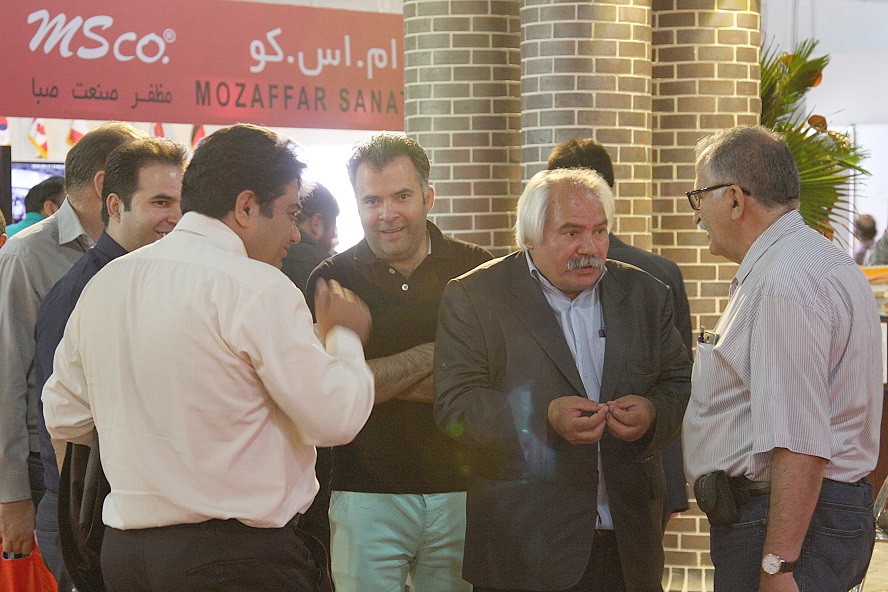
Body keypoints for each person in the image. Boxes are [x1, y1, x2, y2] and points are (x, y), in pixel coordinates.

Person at [43, 124, 375, 592]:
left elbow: (64, 415)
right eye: (290, 213)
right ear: (246, 206)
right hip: (232, 559)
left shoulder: (108, 283)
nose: (295, 234)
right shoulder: (256, 287)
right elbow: (333, 419)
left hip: (125, 557)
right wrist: (344, 338)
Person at [434, 168, 692, 592]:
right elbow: (456, 404)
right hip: (523, 550)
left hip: (628, 547)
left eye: (600, 231)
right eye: (571, 233)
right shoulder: (476, 296)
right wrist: (544, 417)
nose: (589, 248)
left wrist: (652, 412)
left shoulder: (646, 294)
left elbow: (679, 383)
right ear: (531, 237)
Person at [682, 125, 881, 592]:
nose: (696, 215)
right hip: (809, 519)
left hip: (783, 526)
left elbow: (799, 441)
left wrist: (778, 566)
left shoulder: (783, 281)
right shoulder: (817, 261)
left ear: (735, 199)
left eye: (699, 197)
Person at [306, 133, 492, 592]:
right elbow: (329, 393)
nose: (386, 214)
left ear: (428, 197)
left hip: (463, 493)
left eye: (401, 197)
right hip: (362, 495)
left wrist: (368, 378)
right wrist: (438, 355)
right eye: (372, 200)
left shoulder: (478, 271)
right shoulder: (331, 279)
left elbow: (489, 385)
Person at [32, 137, 187, 591]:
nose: (176, 217)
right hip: (91, 514)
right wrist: (83, 529)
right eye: (160, 202)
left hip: (139, 517)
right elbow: (62, 426)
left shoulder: (158, 277)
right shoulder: (83, 290)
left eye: (183, 203)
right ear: (115, 205)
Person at [0, 122, 147, 562]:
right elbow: (6, 376)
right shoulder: (27, 255)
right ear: (106, 184)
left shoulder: (142, 250)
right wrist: (11, 494)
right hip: (52, 471)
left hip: (125, 468)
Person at [547, 138, 693, 522]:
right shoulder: (526, 280)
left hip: (635, 473)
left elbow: (679, 378)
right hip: (574, 486)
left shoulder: (654, 280)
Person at [282, 181, 340, 292]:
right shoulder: (329, 270)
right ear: (316, 223)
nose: (333, 237)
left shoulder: (267, 254)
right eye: (333, 232)